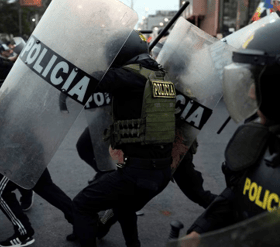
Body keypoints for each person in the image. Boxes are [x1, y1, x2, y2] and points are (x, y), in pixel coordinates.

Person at [182, 19, 280, 246]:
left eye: (258, 82)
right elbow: (237, 193)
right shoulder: (258, 138)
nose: (251, 94)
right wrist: (199, 232)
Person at [72, 30, 176, 247]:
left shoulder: (128, 76)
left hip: (138, 174)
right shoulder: (159, 76)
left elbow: (94, 79)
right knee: (122, 203)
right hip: (162, 172)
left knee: (81, 205)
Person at [0, 56, 68, 247]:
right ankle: (82, 220)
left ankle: (24, 233)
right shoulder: (12, 88)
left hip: (20, 155)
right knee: (46, 188)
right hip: (32, 149)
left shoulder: (1, 95)